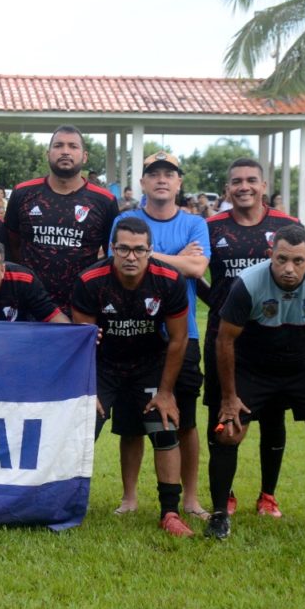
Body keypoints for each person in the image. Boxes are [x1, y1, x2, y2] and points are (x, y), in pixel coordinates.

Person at [206, 224, 305, 541]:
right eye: (282, 259)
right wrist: (229, 398)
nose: (289, 268)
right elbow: (224, 341)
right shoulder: (247, 283)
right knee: (228, 432)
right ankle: (219, 516)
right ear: (270, 255)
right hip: (254, 367)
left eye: (298, 261)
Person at [71, 217, 193, 536]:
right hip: (102, 365)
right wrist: (87, 390)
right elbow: (81, 341)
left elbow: (179, 339)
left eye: (139, 250)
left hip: (148, 364)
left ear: (150, 250)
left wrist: (165, 393)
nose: (131, 256)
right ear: (112, 248)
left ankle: (170, 513)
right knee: (80, 428)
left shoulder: (170, 280)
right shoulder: (89, 281)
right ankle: (61, 503)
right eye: (123, 249)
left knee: (164, 428)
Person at [110, 151, 209, 519]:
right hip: (133, 331)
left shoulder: (194, 223)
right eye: (154, 174)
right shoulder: (125, 220)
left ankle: (191, 499)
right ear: (143, 182)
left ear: (179, 182)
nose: (162, 179)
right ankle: (129, 497)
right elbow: (119, 263)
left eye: (169, 174)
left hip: (183, 334)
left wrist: (148, 256)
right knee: (132, 422)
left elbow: (197, 266)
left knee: (185, 420)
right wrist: (174, 258)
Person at [203, 158, 297, 518]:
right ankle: (224, 493)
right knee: (221, 414)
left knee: (273, 417)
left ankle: (267, 495)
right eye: (237, 181)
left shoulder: (286, 226)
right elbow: (195, 271)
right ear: (227, 189)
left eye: (251, 180)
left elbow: (303, 273)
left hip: (272, 339)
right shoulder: (210, 227)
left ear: (263, 186)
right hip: (223, 337)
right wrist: (217, 302)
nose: (244, 187)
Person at [5, 125, 120, 315]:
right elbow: (12, 244)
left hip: (82, 305)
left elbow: (112, 253)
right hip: (29, 305)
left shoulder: (104, 201)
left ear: (84, 156)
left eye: (73, 146)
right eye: (58, 145)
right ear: (47, 153)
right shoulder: (22, 193)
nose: (65, 151)